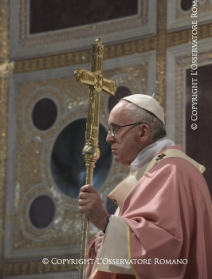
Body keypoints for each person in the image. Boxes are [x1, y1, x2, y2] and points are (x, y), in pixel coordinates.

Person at [78, 94, 212, 279]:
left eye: (116, 129)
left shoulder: (173, 171)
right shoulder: (155, 171)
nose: (109, 138)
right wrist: (104, 239)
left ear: (143, 132)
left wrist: (104, 221)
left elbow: (167, 249)